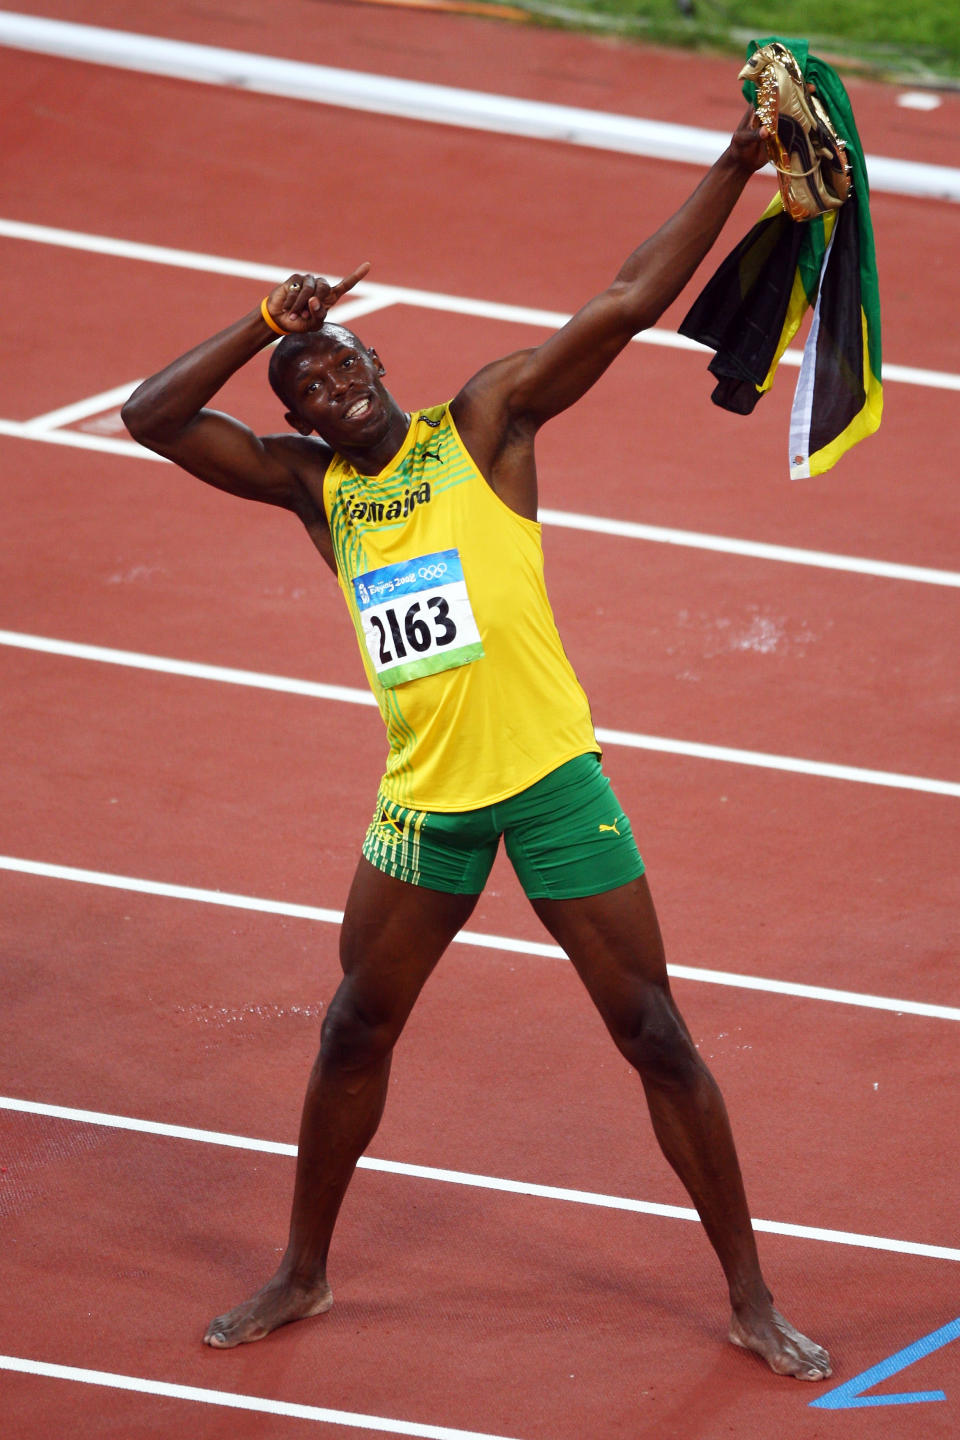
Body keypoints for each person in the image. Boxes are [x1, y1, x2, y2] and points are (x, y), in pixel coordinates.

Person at [122, 108, 831, 1381]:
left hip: (554, 782)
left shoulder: (488, 421)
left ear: (380, 360)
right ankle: (302, 1271)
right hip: (425, 804)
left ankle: (750, 1295)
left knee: (656, 1036)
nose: (334, 395)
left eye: (343, 368)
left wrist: (735, 163)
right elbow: (150, 418)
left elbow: (620, 304)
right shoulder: (312, 489)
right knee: (353, 1028)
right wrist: (262, 324)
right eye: (310, 389)